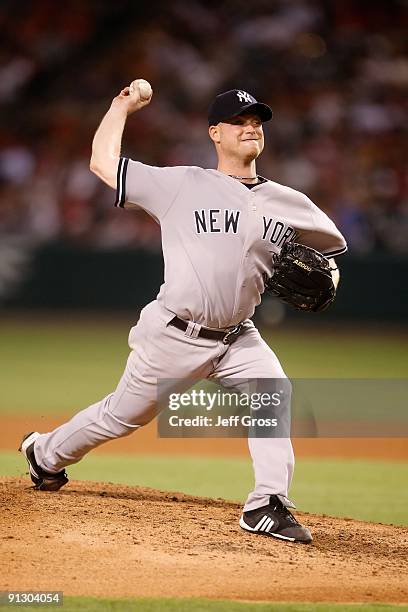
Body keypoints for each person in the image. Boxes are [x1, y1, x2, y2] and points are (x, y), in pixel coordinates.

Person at [20, 83, 347, 544]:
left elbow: (330, 253)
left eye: (257, 121)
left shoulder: (291, 203)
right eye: (239, 121)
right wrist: (120, 106)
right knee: (121, 417)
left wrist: (324, 276)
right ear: (215, 132)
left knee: (273, 392)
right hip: (175, 333)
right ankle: (45, 454)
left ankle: (266, 504)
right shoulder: (182, 184)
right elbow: (101, 163)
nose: (251, 126)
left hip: (239, 336)